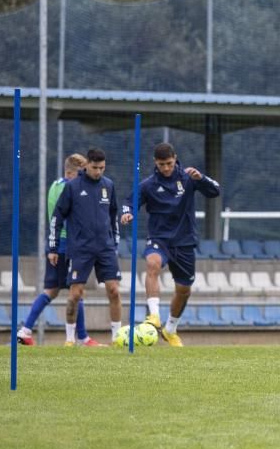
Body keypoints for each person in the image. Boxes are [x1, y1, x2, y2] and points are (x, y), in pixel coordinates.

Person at [120, 142, 220, 347]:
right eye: (161, 164)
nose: (166, 168)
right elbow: (129, 202)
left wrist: (201, 178)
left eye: (169, 163)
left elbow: (215, 191)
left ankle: (170, 329)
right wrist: (127, 213)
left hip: (184, 241)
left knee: (184, 290)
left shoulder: (188, 178)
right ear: (155, 163)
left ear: (175, 159)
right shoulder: (148, 184)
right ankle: (154, 316)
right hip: (159, 239)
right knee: (152, 264)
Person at [18, 153, 103, 346]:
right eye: (81, 173)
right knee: (75, 289)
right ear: (70, 172)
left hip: (56, 243)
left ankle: (25, 330)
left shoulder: (54, 186)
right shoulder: (68, 188)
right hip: (68, 244)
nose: (85, 178)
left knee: (52, 290)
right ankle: (81, 337)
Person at [48, 148, 123, 345]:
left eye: (102, 168)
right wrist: (53, 247)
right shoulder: (72, 187)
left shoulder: (109, 185)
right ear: (86, 165)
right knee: (75, 294)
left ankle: (117, 337)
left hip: (105, 248)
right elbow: (57, 217)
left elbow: (113, 215)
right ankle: (70, 339)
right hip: (80, 248)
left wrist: (115, 241)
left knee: (114, 290)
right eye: (95, 167)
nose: (98, 172)